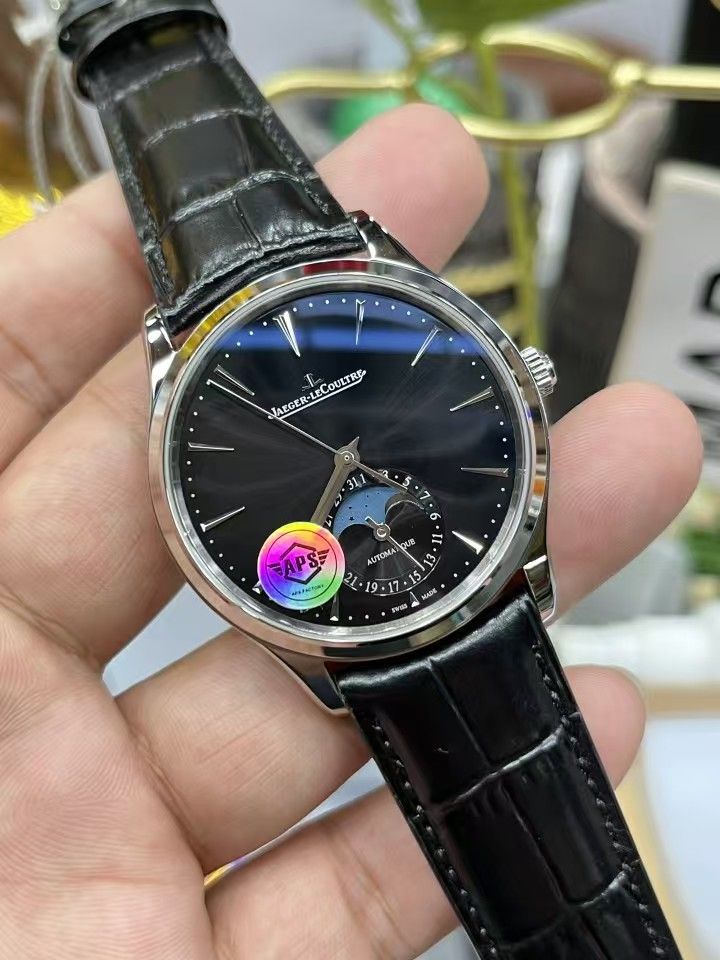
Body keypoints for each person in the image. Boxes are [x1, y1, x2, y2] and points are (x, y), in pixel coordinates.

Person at [0, 104, 702, 958]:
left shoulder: (370, 285)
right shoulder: (202, 434)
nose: (348, 456)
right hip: (357, 629)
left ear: (521, 378)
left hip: (470, 579)